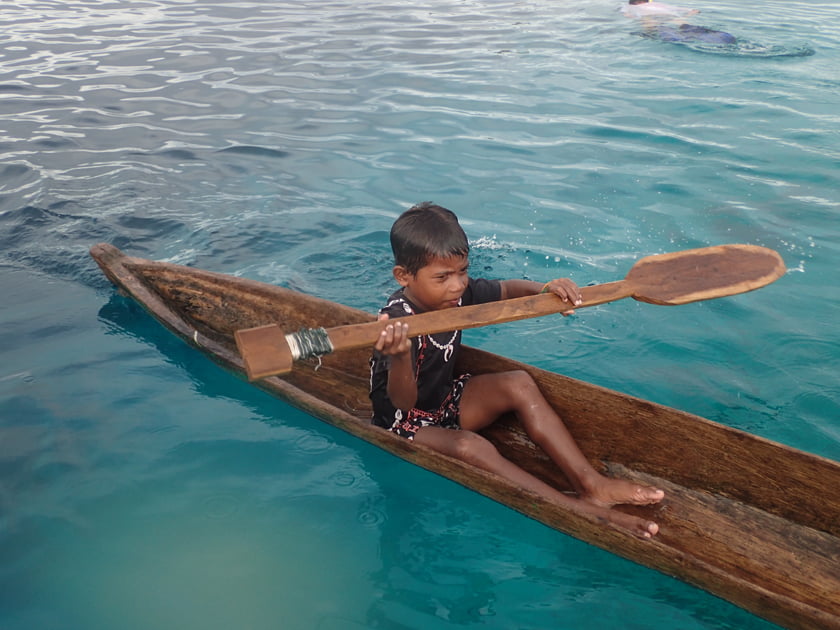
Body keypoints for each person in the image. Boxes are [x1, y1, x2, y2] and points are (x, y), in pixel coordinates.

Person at [369, 202, 664, 538]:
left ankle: (592, 484)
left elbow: (507, 290)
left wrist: (544, 289)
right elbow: (402, 403)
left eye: (462, 271)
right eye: (443, 277)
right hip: (403, 423)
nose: (457, 285)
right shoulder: (395, 322)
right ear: (404, 276)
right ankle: (570, 507)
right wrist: (399, 357)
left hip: (443, 402)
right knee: (469, 447)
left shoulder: (454, 296)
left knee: (519, 383)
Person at [623, 0, 736, 45]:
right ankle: (713, 35)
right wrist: (690, 12)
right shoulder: (657, 4)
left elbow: (628, 15)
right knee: (686, 26)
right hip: (672, 17)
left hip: (651, 18)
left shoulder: (630, 7)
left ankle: (675, 36)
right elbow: (688, 10)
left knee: (654, 29)